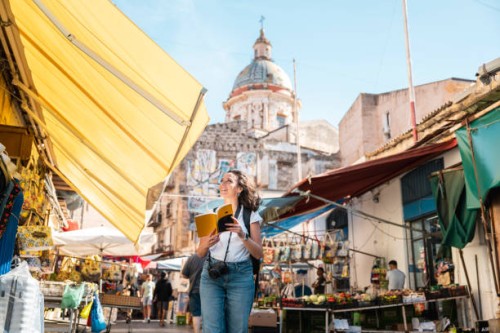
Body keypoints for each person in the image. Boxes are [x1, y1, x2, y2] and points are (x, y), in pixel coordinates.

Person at [196, 169, 263, 333]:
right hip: (212, 273)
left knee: (238, 329)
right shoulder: (211, 214)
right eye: (222, 180)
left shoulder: (250, 216)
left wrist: (242, 234)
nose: (223, 184)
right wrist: (207, 244)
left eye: (229, 181)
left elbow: (259, 253)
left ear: (239, 189)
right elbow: (200, 252)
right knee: (212, 329)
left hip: (240, 276)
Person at [181, 254, 205, 333]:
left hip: (194, 290)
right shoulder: (213, 256)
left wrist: (192, 276)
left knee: (196, 314)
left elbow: (184, 275)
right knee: (209, 313)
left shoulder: (191, 258)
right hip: (209, 291)